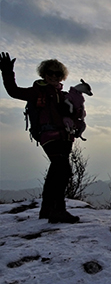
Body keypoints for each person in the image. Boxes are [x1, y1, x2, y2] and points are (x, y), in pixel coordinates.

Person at [0, 52, 79, 223]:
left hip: (66, 137)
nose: (53, 76)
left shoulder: (64, 95)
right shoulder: (37, 91)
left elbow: (74, 115)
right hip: (49, 135)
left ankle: (47, 210)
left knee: (58, 172)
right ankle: (58, 210)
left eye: (57, 74)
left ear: (62, 77)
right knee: (61, 169)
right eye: (49, 73)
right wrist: (7, 73)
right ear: (43, 73)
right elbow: (14, 91)